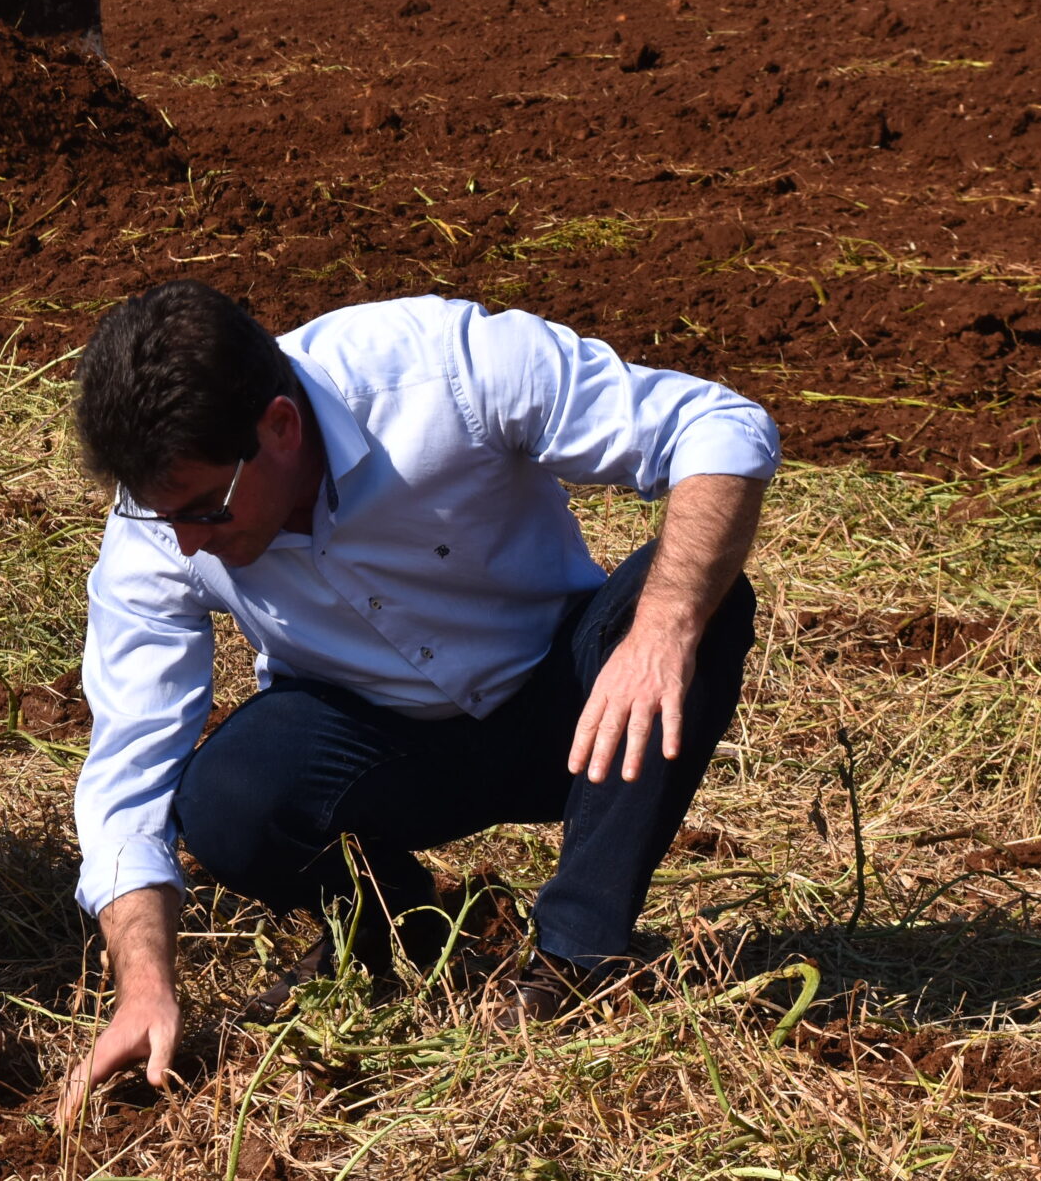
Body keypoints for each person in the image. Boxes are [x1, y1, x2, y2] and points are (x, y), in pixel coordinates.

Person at [54, 282, 776, 1124]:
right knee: (226, 799)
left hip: (572, 708)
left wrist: (660, 631)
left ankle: (580, 954)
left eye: (205, 509)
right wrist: (144, 986)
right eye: (160, 513)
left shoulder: (442, 371)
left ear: (279, 428)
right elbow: (128, 773)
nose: (185, 541)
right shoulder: (162, 521)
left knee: (705, 605)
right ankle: (404, 932)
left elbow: (720, 428)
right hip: (383, 748)